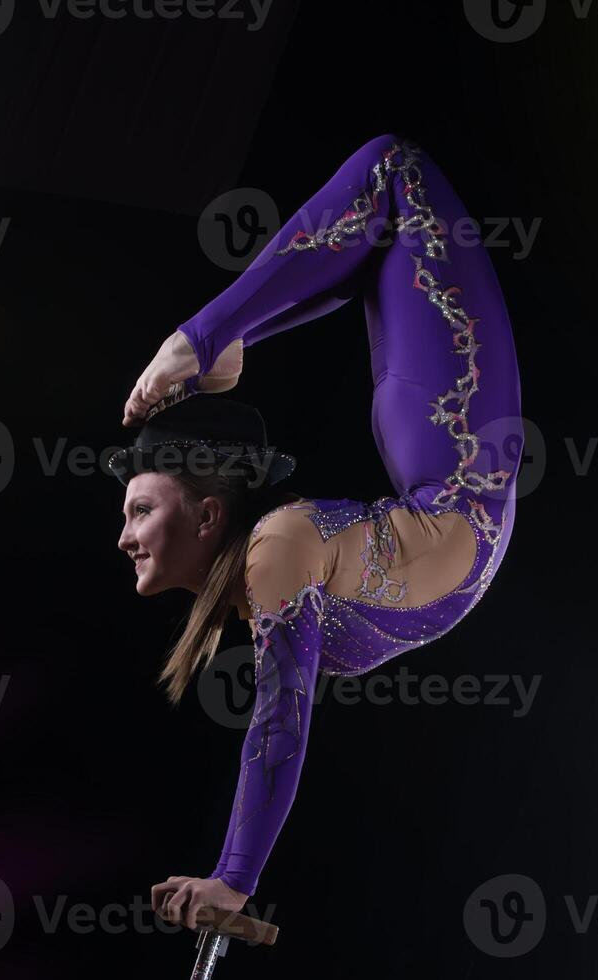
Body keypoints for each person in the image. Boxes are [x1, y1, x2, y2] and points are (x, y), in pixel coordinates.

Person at [110, 133, 523, 930]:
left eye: (139, 510)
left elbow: (279, 717)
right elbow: (282, 705)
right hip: (451, 451)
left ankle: (202, 341)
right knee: (376, 225)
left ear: (208, 513)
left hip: (457, 443)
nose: (123, 537)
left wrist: (234, 879)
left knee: (391, 168)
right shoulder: (268, 577)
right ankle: (219, 341)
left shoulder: (276, 549)